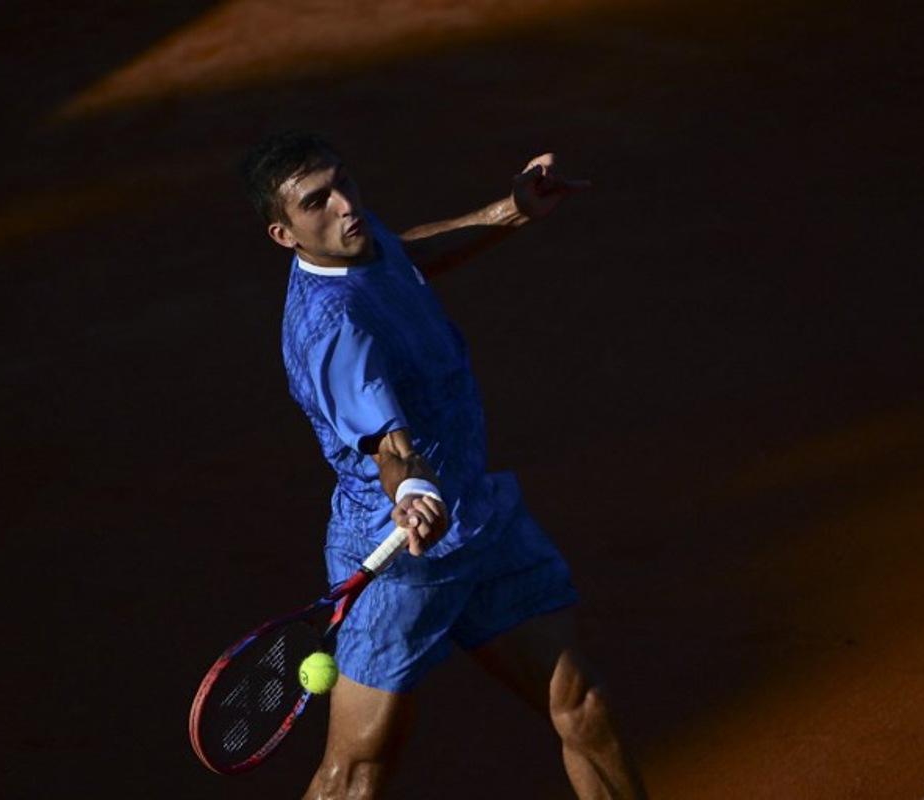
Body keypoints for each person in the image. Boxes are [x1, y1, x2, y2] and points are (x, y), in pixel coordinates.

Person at [240, 131, 647, 800]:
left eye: (344, 182)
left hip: (480, 523)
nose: (345, 205)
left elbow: (404, 254)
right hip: (401, 554)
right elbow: (391, 447)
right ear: (284, 234)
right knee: (356, 776)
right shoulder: (334, 329)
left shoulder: (357, 243)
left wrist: (509, 212)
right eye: (318, 201)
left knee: (582, 705)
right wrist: (415, 491)